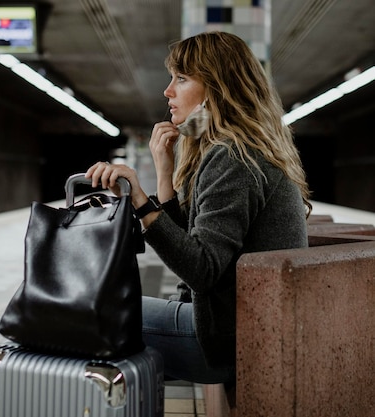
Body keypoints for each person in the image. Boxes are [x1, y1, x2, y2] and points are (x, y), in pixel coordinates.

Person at [85, 31, 312, 384]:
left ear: (217, 88)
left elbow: (201, 269)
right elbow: (193, 246)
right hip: (238, 329)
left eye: (181, 78)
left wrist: (140, 202)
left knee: (87, 311)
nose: (168, 91)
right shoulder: (235, 150)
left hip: (226, 342)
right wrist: (164, 172)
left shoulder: (233, 158)